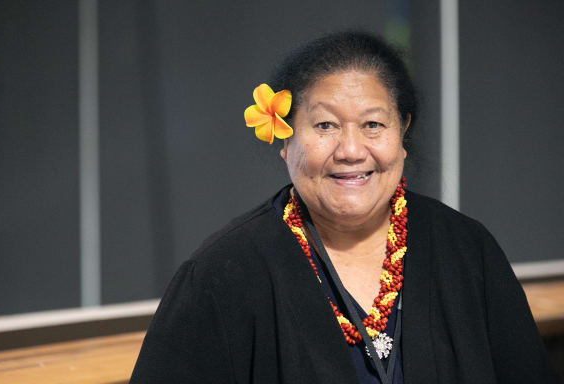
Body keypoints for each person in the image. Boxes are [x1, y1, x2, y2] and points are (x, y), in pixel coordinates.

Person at [130, 31, 557, 384]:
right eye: (325, 125)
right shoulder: (222, 274)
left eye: (373, 124)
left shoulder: (467, 249)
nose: (351, 150)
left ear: (402, 131)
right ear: (285, 137)